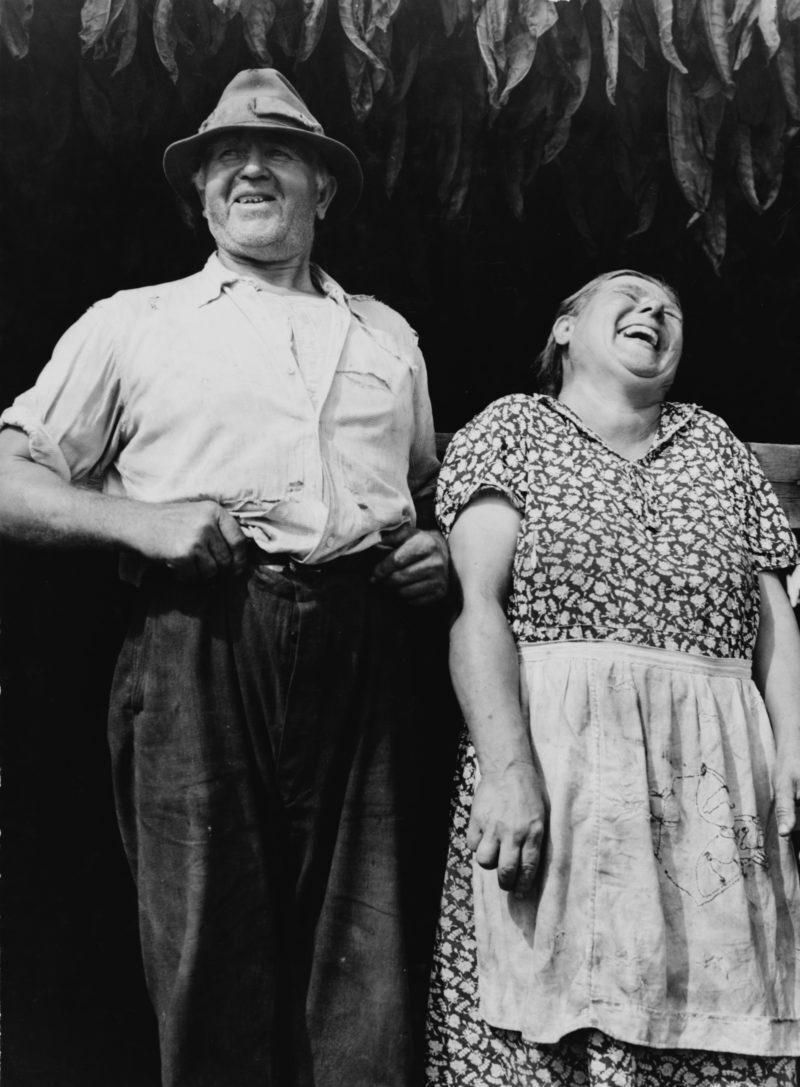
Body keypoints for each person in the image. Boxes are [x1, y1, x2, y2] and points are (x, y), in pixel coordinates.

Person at [0, 68, 448, 1087]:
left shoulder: (386, 335)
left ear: (321, 188)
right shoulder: (134, 321)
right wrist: (139, 522)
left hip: (362, 648)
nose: (249, 169)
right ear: (199, 195)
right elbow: (9, 478)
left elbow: (418, 488)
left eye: (277, 151)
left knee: (367, 966)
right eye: (224, 159)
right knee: (210, 955)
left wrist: (431, 549)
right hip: (198, 639)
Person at [425, 270, 800, 1086]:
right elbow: (476, 608)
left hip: (710, 793)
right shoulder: (514, 429)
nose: (654, 310)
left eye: (672, 308)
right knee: (544, 1036)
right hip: (557, 778)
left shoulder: (716, 445)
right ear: (564, 329)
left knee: (714, 1030)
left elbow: (775, 624)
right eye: (628, 294)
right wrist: (508, 770)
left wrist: (795, 754)